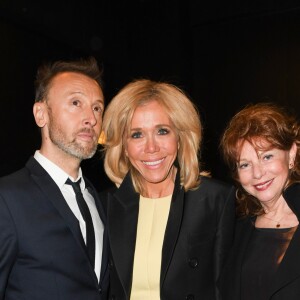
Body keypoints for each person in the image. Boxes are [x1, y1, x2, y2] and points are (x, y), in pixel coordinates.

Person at [101, 79, 235, 300]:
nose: (151, 147)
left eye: (162, 131)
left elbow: (225, 291)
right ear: (123, 146)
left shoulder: (215, 200)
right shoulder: (105, 204)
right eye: (137, 135)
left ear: (180, 138)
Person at [0, 57, 109, 299]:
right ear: (41, 114)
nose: (91, 118)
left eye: (97, 107)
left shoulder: (96, 198)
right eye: (75, 102)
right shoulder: (7, 199)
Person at [219, 103, 300, 299]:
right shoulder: (234, 230)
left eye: (267, 157)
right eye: (245, 164)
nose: (257, 173)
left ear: (291, 153)